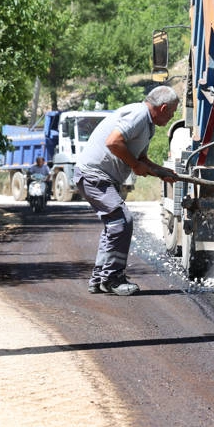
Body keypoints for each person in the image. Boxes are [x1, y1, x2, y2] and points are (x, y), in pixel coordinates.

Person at [74, 86, 179, 296]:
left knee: (114, 224)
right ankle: (113, 279)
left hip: (98, 177)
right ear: (163, 107)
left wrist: (161, 171)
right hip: (94, 176)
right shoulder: (139, 115)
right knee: (122, 221)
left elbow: (141, 160)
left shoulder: (147, 124)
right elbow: (113, 142)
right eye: (172, 112)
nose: (173, 116)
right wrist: (134, 164)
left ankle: (99, 279)